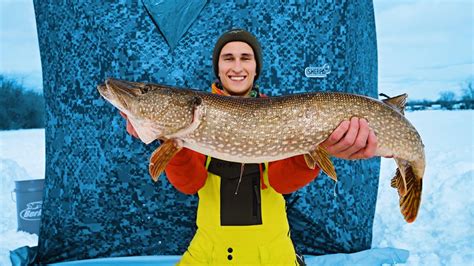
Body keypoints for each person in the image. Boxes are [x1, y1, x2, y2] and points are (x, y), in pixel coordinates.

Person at [122, 29, 377, 265]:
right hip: (210, 253)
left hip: (272, 253)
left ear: (256, 69)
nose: (237, 66)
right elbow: (190, 184)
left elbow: (280, 182)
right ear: (218, 69)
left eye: (246, 58)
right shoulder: (195, 119)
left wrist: (316, 147)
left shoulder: (281, 115)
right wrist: (167, 141)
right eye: (227, 58)